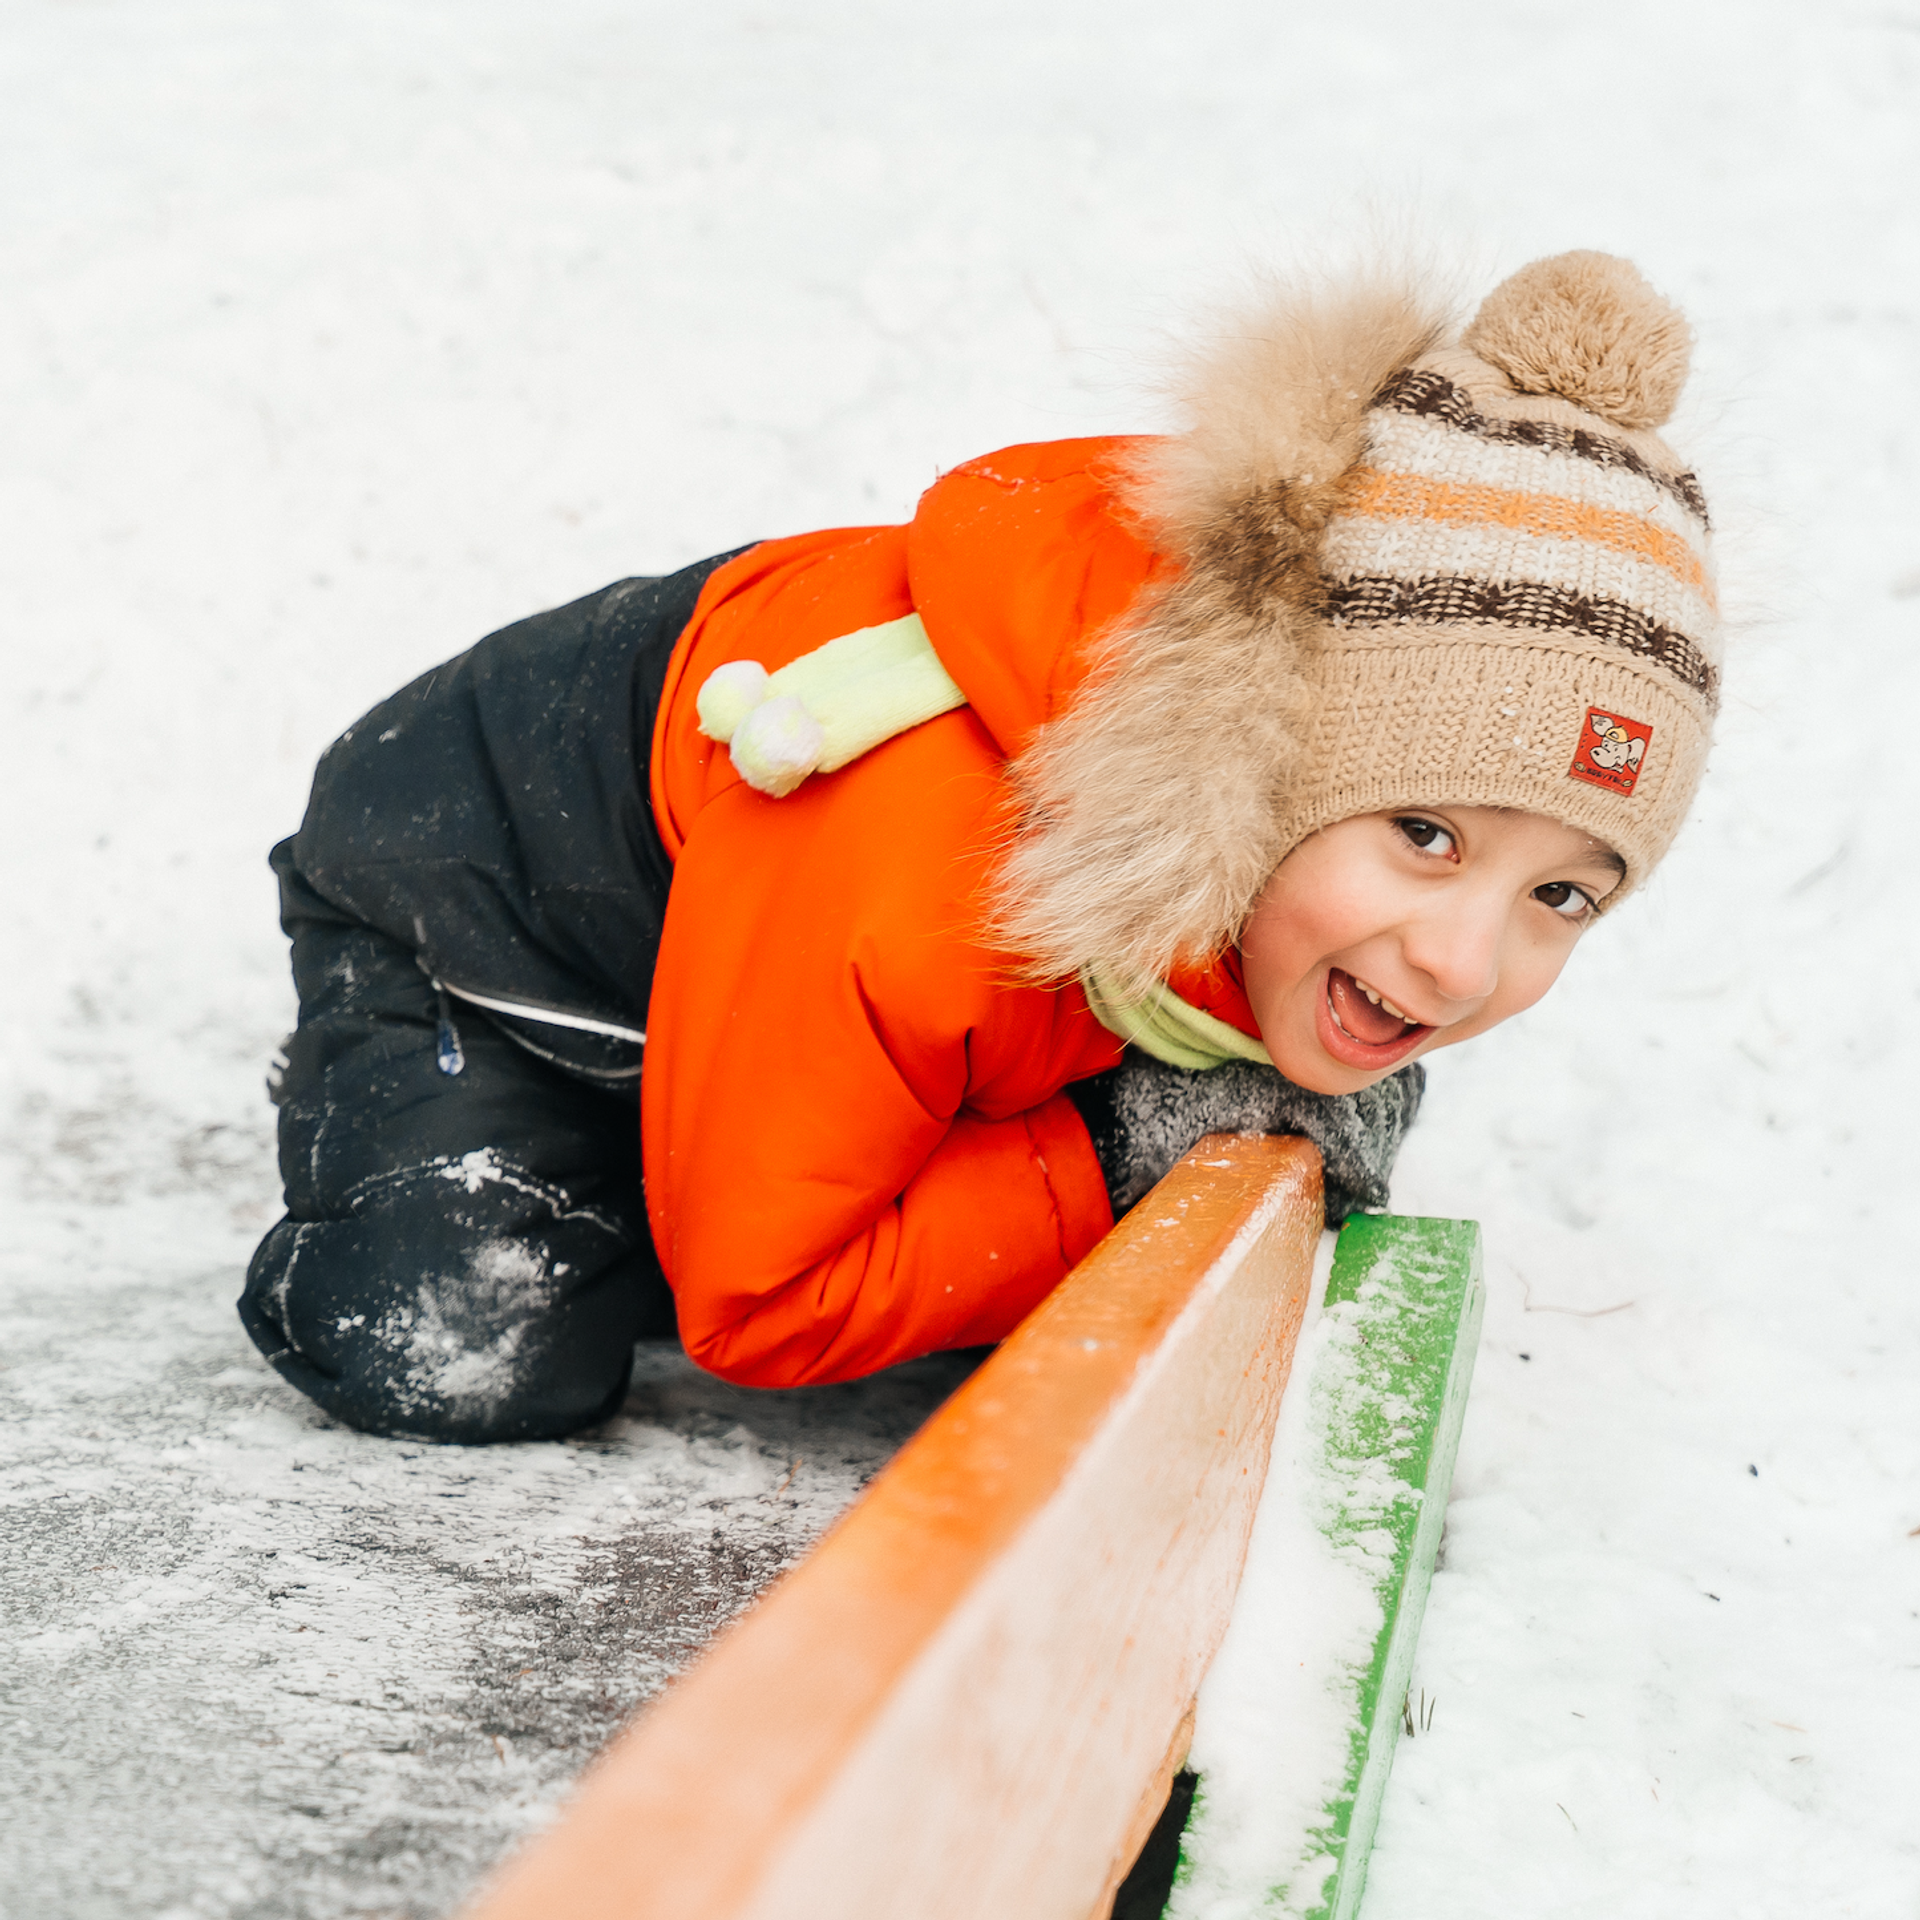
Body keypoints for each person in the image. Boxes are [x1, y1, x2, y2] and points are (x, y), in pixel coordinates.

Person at [240, 250, 1718, 1443]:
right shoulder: (928, 879)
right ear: (1269, 750)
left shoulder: (1252, 857)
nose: (1464, 961)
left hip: (798, 963)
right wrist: (1111, 1153)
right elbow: (763, 1309)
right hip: (484, 913)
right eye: (1425, 832)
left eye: (1563, 893)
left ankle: (757, 1127)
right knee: (477, 1339)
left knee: (934, 1240)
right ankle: (440, 1096)